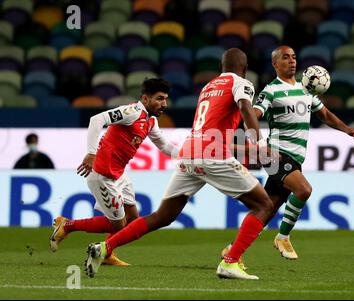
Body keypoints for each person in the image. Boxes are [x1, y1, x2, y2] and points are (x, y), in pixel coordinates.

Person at [84, 48, 274, 280]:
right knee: (264, 205)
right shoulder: (242, 83)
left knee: (162, 216)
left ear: (220, 68)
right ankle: (230, 262)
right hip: (212, 154)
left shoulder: (208, 87)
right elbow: (245, 107)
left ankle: (104, 248)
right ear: (244, 69)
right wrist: (261, 144)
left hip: (188, 152)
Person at [222, 46, 354, 261]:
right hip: (276, 155)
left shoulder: (306, 90)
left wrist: (347, 129)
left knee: (267, 209)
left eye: (294, 57)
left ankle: (232, 251)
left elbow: (325, 115)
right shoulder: (271, 90)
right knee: (304, 190)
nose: (292, 61)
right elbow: (254, 113)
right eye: (285, 57)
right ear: (275, 64)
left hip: (295, 158)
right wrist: (248, 118)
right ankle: (283, 237)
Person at [50, 78, 179, 266]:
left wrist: (189, 155)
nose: (164, 104)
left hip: (119, 174)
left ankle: (107, 253)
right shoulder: (132, 112)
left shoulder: (150, 120)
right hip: (103, 175)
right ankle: (68, 226)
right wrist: (91, 153)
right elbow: (97, 119)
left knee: (133, 219)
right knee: (117, 224)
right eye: (159, 98)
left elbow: (165, 145)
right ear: (144, 98)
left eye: (166, 99)